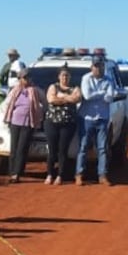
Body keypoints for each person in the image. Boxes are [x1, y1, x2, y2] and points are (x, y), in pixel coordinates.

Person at [75, 56, 116, 186]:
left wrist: (98, 94)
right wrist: (102, 93)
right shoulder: (86, 78)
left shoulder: (109, 79)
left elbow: (110, 97)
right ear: (91, 67)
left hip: (103, 118)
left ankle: (102, 175)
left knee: (102, 148)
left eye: (101, 66)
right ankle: (79, 174)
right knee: (83, 147)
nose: (99, 68)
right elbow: (87, 95)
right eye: (96, 66)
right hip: (87, 118)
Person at [2, 68, 46, 183]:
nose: (27, 80)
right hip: (14, 122)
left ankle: (17, 174)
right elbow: (7, 104)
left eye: (28, 77)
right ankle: (12, 172)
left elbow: (45, 102)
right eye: (25, 78)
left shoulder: (35, 91)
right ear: (20, 79)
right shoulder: (15, 91)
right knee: (14, 149)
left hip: (28, 123)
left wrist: (41, 114)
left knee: (22, 149)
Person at [44, 64, 81, 185]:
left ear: (70, 77)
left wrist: (61, 97)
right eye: (63, 75)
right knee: (52, 150)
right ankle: (49, 174)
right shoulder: (52, 86)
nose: (65, 78)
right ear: (59, 76)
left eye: (67, 75)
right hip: (51, 122)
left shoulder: (75, 88)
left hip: (68, 123)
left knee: (63, 150)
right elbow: (51, 99)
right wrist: (67, 98)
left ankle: (60, 175)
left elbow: (76, 99)